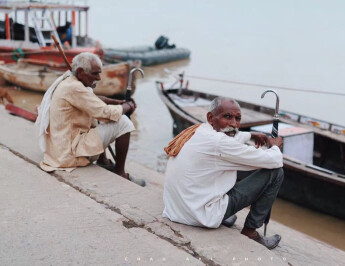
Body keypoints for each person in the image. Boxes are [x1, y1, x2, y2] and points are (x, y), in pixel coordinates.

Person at [163, 97, 284, 249]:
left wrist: (251, 135)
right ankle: (251, 231)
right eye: (227, 117)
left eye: (237, 118)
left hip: (177, 209)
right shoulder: (218, 142)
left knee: (230, 168)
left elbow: (229, 138)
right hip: (199, 215)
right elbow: (274, 160)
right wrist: (275, 147)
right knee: (275, 172)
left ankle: (222, 215)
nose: (234, 123)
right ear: (210, 117)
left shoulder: (199, 130)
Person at [36, 52, 145, 186]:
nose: (99, 78)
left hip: (60, 149)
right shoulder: (74, 87)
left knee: (96, 115)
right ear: (81, 72)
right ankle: (120, 173)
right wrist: (127, 106)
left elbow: (92, 100)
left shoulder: (69, 80)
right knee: (124, 123)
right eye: (95, 74)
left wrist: (117, 102)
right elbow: (104, 112)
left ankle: (102, 161)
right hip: (69, 153)